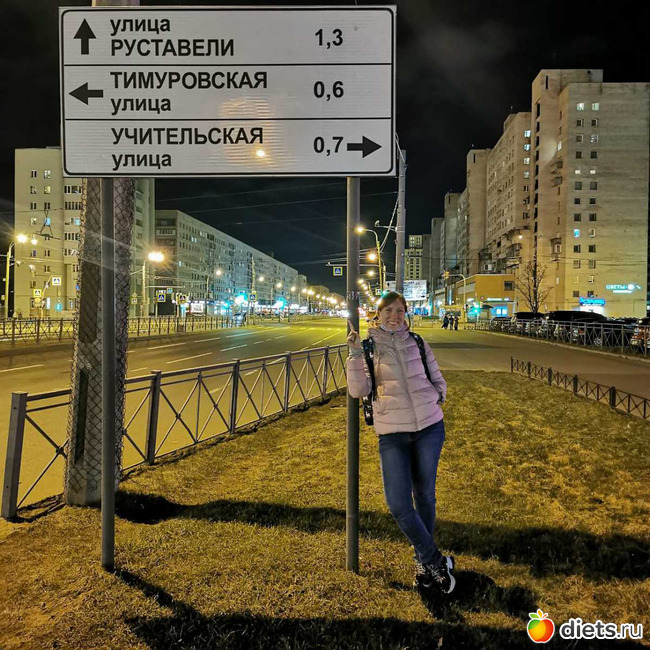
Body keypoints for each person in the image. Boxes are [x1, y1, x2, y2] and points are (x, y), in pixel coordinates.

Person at [346, 292, 455, 595]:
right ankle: (435, 561)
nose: (395, 316)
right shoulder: (367, 347)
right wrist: (354, 354)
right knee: (398, 504)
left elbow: (435, 374)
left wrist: (438, 394)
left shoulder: (417, 342)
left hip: (429, 428)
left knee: (425, 497)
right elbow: (358, 390)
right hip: (393, 433)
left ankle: (423, 564)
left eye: (400, 311)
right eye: (389, 310)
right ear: (378, 313)